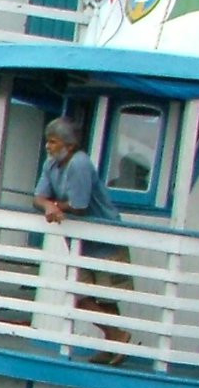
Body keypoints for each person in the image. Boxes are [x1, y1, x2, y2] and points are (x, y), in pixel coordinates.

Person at [34, 116, 133, 364]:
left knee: (105, 296)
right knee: (79, 295)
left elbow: (79, 205)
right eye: (48, 141)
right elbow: (37, 197)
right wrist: (48, 205)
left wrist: (53, 206)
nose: (48, 146)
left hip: (106, 241)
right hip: (81, 243)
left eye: (53, 142)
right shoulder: (51, 165)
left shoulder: (80, 164)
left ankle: (114, 341)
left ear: (68, 144)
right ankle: (115, 337)